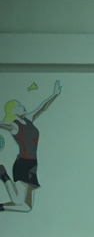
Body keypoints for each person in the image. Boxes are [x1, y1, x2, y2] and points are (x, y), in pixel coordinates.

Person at [0, 80, 61, 213]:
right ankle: (3, 174)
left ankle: (3, 175)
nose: (22, 106)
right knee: (19, 202)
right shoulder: (14, 126)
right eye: (19, 106)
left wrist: (55, 94)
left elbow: (43, 108)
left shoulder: (28, 119)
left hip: (33, 164)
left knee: (26, 207)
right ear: (13, 111)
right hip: (23, 164)